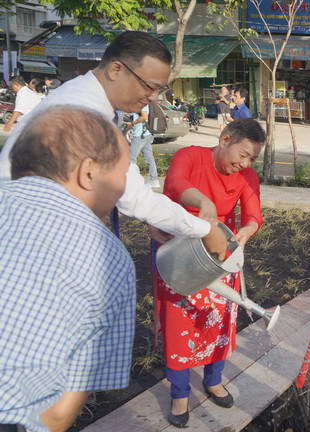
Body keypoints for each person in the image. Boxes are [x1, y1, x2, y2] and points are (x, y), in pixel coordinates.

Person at [0, 31, 227, 258]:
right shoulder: (85, 113)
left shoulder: (83, 95)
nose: (154, 97)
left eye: (160, 90)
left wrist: (155, 216)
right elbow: (133, 196)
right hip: (28, 242)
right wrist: (205, 230)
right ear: (116, 70)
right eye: (150, 86)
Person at [0, 106, 135, 432]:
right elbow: (59, 414)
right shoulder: (111, 261)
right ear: (89, 172)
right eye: (124, 173)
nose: (124, 186)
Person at [152, 118, 265, 428]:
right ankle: (180, 392)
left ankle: (213, 379)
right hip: (177, 246)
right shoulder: (189, 156)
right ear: (225, 138)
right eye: (242, 154)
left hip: (218, 251)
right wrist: (204, 203)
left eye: (252, 158)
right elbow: (175, 184)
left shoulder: (247, 177)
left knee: (217, 320)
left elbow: (253, 214)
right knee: (179, 326)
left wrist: (245, 232)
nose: (244, 163)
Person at [124, 104, 160, 188]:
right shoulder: (141, 103)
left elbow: (144, 117)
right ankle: (154, 180)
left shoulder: (141, 104)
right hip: (146, 134)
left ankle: (130, 182)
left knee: (131, 159)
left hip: (140, 136)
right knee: (149, 158)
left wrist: (132, 123)